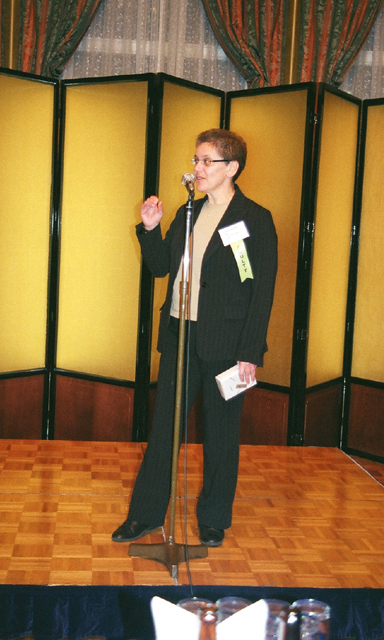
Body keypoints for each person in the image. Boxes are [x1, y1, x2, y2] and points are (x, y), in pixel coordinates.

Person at [112, 129, 277, 547]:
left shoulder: (255, 219)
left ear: (231, 167)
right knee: (164, 430)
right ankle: (145, 515)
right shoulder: (189, 211)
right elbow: (160, 267)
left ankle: (214, 518)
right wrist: (150, 228)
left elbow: (260, 291)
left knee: (221, 434)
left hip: (227, 344)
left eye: (206, 161)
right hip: (180, 335)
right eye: (196, 160)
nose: (197, 168)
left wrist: (250, 351)